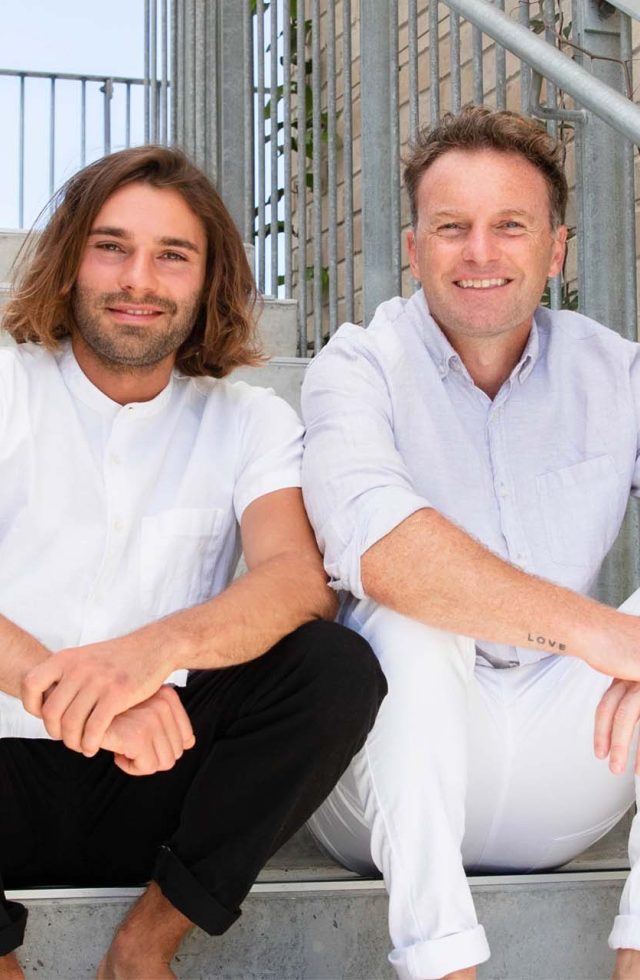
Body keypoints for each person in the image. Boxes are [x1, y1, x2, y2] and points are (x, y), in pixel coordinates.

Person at [0, 144, 386, 980]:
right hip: (7, 773)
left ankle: (146, 944)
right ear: (69, 263)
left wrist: (144, 658)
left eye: (172, 256)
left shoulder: (249, 420)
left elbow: (295, 581)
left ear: (208, 280)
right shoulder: (8, 385)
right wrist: (91, 699)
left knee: (336, 665)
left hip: (157, 780)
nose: (139, 279)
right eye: (112, 247)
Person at [301, 104, 640, 980]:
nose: (480, 253)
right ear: (415, 249)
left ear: (557, 250)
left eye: (511, 227)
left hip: (567, 762)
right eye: (452, 227)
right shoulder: (357, 364)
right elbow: (379, 544)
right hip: (382, 786)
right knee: (410, 617)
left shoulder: (620, 375)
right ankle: (444, 967)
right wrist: (598, 632)